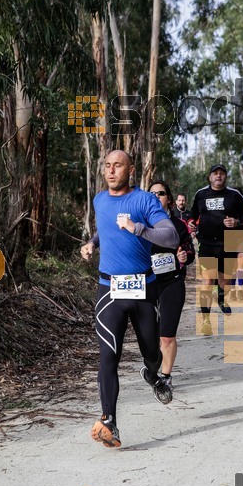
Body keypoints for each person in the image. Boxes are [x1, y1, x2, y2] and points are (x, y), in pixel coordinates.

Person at [81, 150, 179, 448]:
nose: (111, 171)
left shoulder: (144, 200)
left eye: (118, 166)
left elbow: (170, 237)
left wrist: (137, 228)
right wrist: (92, 243)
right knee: (108, 355)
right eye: (107, 166)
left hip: (142, 289)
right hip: (108, 289)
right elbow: (105, 228)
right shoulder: (99, 200)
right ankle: (109, 420)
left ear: (131, 170)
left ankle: (154, 375)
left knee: (152, 353)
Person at [189, 164, 243, 336]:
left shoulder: (234, 194)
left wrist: (237, 222)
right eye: (215, 173)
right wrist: (191, 223)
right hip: (207, 242)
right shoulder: (201, 194)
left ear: (226, 177)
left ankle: (222, 297)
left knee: (226, 280)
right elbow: (193, 214)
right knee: (208, 281)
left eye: (222, 174)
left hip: (229, 242)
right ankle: (206, 320)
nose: (218, 176)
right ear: (210, 177)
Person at [149, 180, 195, 394]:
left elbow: (190, 252)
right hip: (146, 283)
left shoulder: (178, 225)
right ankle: (152, 368)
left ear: (169, 198)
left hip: (172, 281)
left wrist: (185, 256)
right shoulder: (140, 224)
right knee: (149, 334)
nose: (157, 197)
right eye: (153, 193)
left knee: (167, 334)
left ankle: (166, 376)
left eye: (161, 193)